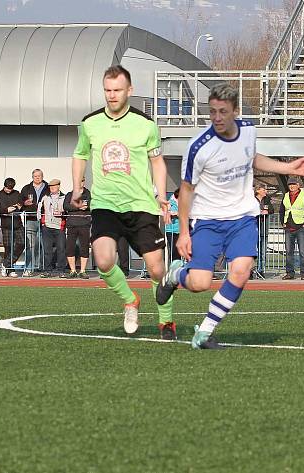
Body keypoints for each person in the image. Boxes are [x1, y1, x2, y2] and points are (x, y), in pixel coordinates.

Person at [155, 83, 304, 349]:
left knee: (241, 272)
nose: (217, 118)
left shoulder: (248, 130)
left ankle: (205, 333)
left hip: (242, 217)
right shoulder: (199, 146)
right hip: (207, 220)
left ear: (236, 111)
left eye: (223, 111)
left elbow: (252, 158)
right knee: (200, 283)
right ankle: (175, 276)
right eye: (212, 112)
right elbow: (186, 191)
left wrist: (287, 166)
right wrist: (183, 232)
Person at [69, 65, 176, 340]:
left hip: (141, 205)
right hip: (106, 204)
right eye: (107, 90)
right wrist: (77, 186)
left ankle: (166, 322)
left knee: (157, 269)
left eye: (117, 90)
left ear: (130, 90)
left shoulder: (146, 124)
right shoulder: (90, 123)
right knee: (103, 261)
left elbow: (157, 161)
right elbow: (80, 155)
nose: (111, 95)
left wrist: (162, 195)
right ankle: (130, 300)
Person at [280, 176, 304, 280]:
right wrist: (283, 222)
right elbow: (282, 210)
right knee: (289, 252)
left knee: (302, 252)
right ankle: (290, 273)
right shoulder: (285, 196)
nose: (292, 186)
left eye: (294, 184)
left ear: (298, 185)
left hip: (300, 227)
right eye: (290, 185)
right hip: (288, 227)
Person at [0, 177, 24, 278]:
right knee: (8, 247)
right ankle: (10, 270)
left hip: (18, 223)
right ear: (4, 186)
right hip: (6, 225)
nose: (9, 190)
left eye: (11, 189)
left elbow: (21, 205)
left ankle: (5, 264)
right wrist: (6, 210)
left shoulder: (17, 193)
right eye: (7, 188)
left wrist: (19, 206)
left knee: (22, 244)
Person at [20, 169, 50, 277]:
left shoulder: (48, 188)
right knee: (30, 245)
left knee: (44, 245)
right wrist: (24, 203)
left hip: (44, 219)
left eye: (39, 176)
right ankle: (29, 268)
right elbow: (19, 203)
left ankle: (43, 267)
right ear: (32, 177)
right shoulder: (26, 188)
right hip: (30, 219)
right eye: (35, 176)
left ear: (42, 176)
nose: (37, 178)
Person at [63, 176, 92, 278]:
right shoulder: (70, 194)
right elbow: (66, 206)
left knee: (84, 247)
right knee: (70, 247)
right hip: (72, 224)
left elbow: (90, 204)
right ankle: (73, 270)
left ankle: (83, 270)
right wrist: (78, 206)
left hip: (84, 224)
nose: (80, 183)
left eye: (82, 181)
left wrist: (78, 205)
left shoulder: (88, 194)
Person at [39, 179, 66, 278]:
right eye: (50, 186)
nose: (52, 188)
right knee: (47, 250)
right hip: (47, 226)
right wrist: (42, 222)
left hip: (59, 226)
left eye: (54, 186)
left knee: (61, 249)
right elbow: (39, 209)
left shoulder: (64, 197)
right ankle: (47, 270)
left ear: (59, 186)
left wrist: (62, 213)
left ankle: (61, 270)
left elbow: (67, 209)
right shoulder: (45, 197)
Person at [254, 183, 272, 277]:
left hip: (263, 228)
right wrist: (257, 212)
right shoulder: (251, 199)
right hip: (253, 228)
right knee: (252, 251)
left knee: (262, 251)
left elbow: (272, 209)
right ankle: (250, 271)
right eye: (264, 189)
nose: (266, 191)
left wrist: (267, 211)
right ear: (258, 190)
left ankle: (260, 270)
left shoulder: (267, 199)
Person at [165, 188, 181, 264]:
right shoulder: (171, 202)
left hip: (180, 230)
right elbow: (165, 212)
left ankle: (179, 267)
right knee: (173, 250)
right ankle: (173, 267)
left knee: (179, 250)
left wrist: (179, 214)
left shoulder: (185, 203)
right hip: (171, 230)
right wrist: (170, 213)